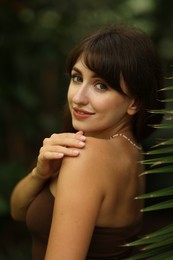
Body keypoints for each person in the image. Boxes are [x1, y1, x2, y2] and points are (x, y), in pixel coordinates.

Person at [10, 24, 164, 260]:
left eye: (101, 85)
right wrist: (39, 174)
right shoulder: (132, 150)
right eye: (77, 78)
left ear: (134, 102)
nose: (79, 98)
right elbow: (17, 211)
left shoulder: (85, 156)